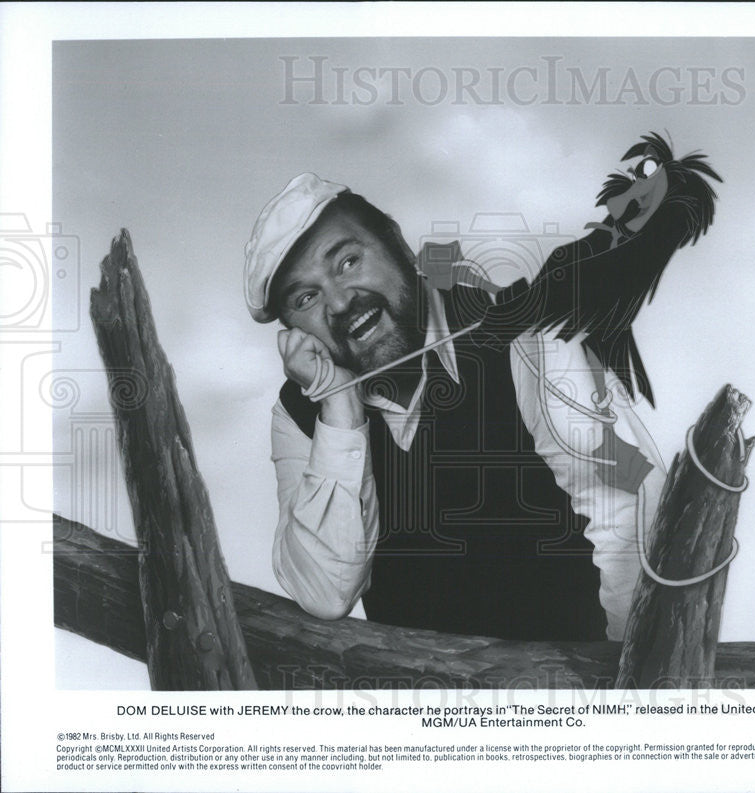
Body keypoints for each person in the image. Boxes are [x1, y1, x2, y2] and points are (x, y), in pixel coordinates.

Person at [244, 173, 665, 642]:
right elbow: (326, 593)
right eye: (307, 297)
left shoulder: (531, 341)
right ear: (293, 332)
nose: (340, 302)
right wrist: (340, 411)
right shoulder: (302, 413)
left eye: (347, 261)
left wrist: (624, 691)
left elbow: (634, 526)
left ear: (399, 246)